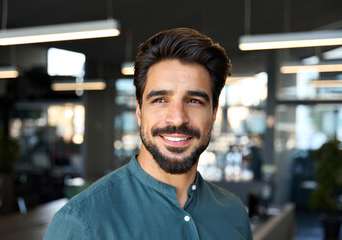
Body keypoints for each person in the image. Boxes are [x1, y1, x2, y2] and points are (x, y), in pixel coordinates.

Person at [44, 27, 253, 240]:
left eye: (194, 101)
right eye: (160, 100)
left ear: (214, 114)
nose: (178, 118)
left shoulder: (233, 213)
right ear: (139, 112)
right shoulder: (81, 221)